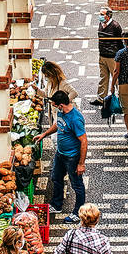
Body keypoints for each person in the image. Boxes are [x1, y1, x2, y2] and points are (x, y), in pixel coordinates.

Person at [33, 91, 87, 223]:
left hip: (72, 157)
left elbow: (84, 141)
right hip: (60, 154)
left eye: (55, 105)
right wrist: (44, 134)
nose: (54, 107)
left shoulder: (75, 119)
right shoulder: (62, 113)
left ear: (61, 105)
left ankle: (78, 212)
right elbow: (58, 125)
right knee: (56, 178)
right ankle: (56, 205)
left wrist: (81, 164)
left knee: (77, 185)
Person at [90, 7, 123, 106]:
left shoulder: (115, 26)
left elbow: (120, 42)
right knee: (103, 78)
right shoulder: (101, 24)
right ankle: (101, 99)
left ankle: (122, 99)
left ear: (108, 16)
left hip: (112, 57)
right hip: (102, 56)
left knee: (116, 79)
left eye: (102, 14)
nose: (100, 16)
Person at [37, 61, 78, 125]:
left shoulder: (63, 83)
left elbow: (74, 93)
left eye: (47, 75)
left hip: (65, 115)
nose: (46, 77)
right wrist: (36, 89)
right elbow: (45, 94)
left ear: (52, 74)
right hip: (55, 114)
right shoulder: (50, 83)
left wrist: (62, 103)